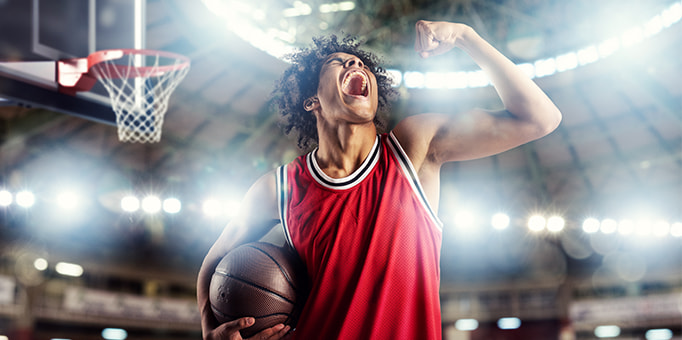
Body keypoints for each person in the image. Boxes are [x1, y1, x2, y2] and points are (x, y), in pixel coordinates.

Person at [197, 20, 562, 340]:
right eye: (337, 62)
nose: (355, 63)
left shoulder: (413, 148)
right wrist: (208, 328)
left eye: (359, 62)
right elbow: (214, 261)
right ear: (311, 100)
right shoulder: (279, 188)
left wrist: (466, 37)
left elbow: (540, 119)